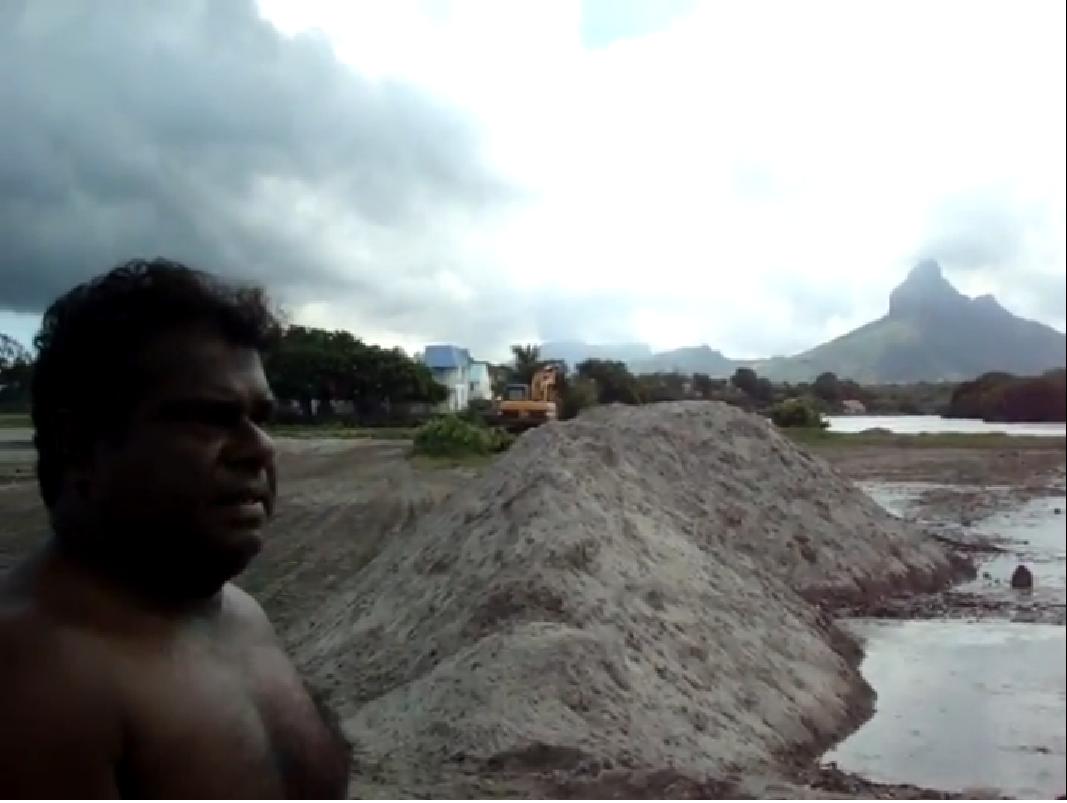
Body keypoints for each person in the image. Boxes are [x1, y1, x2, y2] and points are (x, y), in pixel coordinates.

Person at [0, 259, 351, 798]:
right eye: (211, 417)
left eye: (263, 417)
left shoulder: (240, 615)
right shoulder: (37, 680)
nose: (260, 448)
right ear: (81, 446)